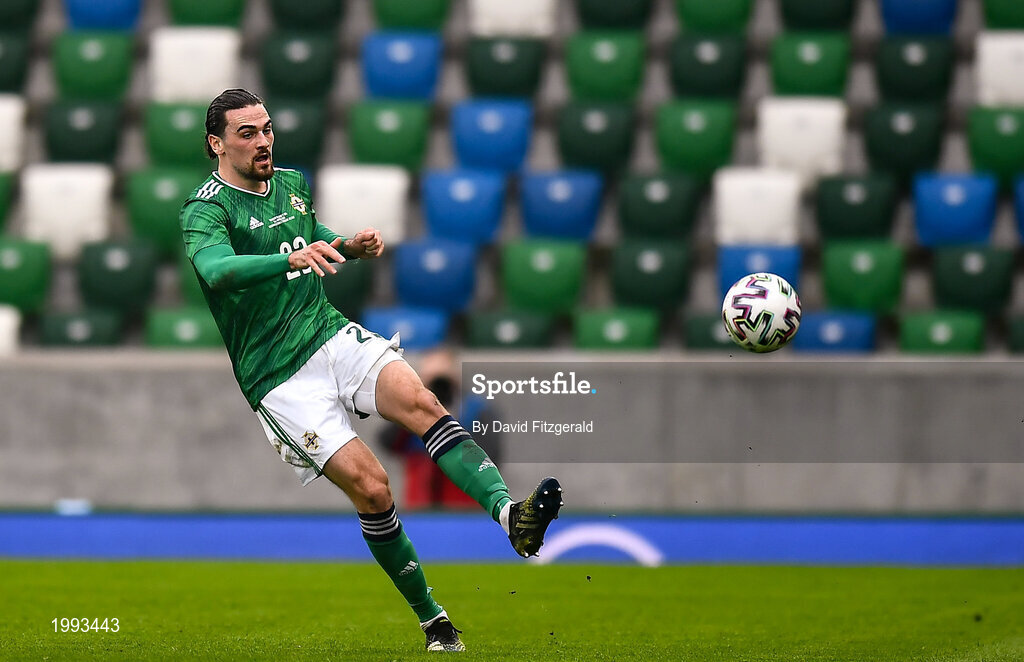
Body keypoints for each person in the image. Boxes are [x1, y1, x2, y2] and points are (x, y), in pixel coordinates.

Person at [179, 89, 562, 653]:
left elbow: (307, 234)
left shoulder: (290, 183)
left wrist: (344, 245)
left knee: (426, 403)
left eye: (266, 128)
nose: (263, 141)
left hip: (327, 331)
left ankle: (512, 518)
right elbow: (216, 270)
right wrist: (290, 259)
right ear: (217, 143)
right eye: (247, 134)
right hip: (278, 376)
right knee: (374, 488)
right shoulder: (205, 209)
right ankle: (434, 619)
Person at [380, 348, 502, 509]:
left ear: (455, 376)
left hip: (464, 509)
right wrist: (415, 400)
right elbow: (387, 441)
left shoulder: (476, 409)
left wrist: (450, 422)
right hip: (419, 508)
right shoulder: (412, 411)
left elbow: (491, 455)